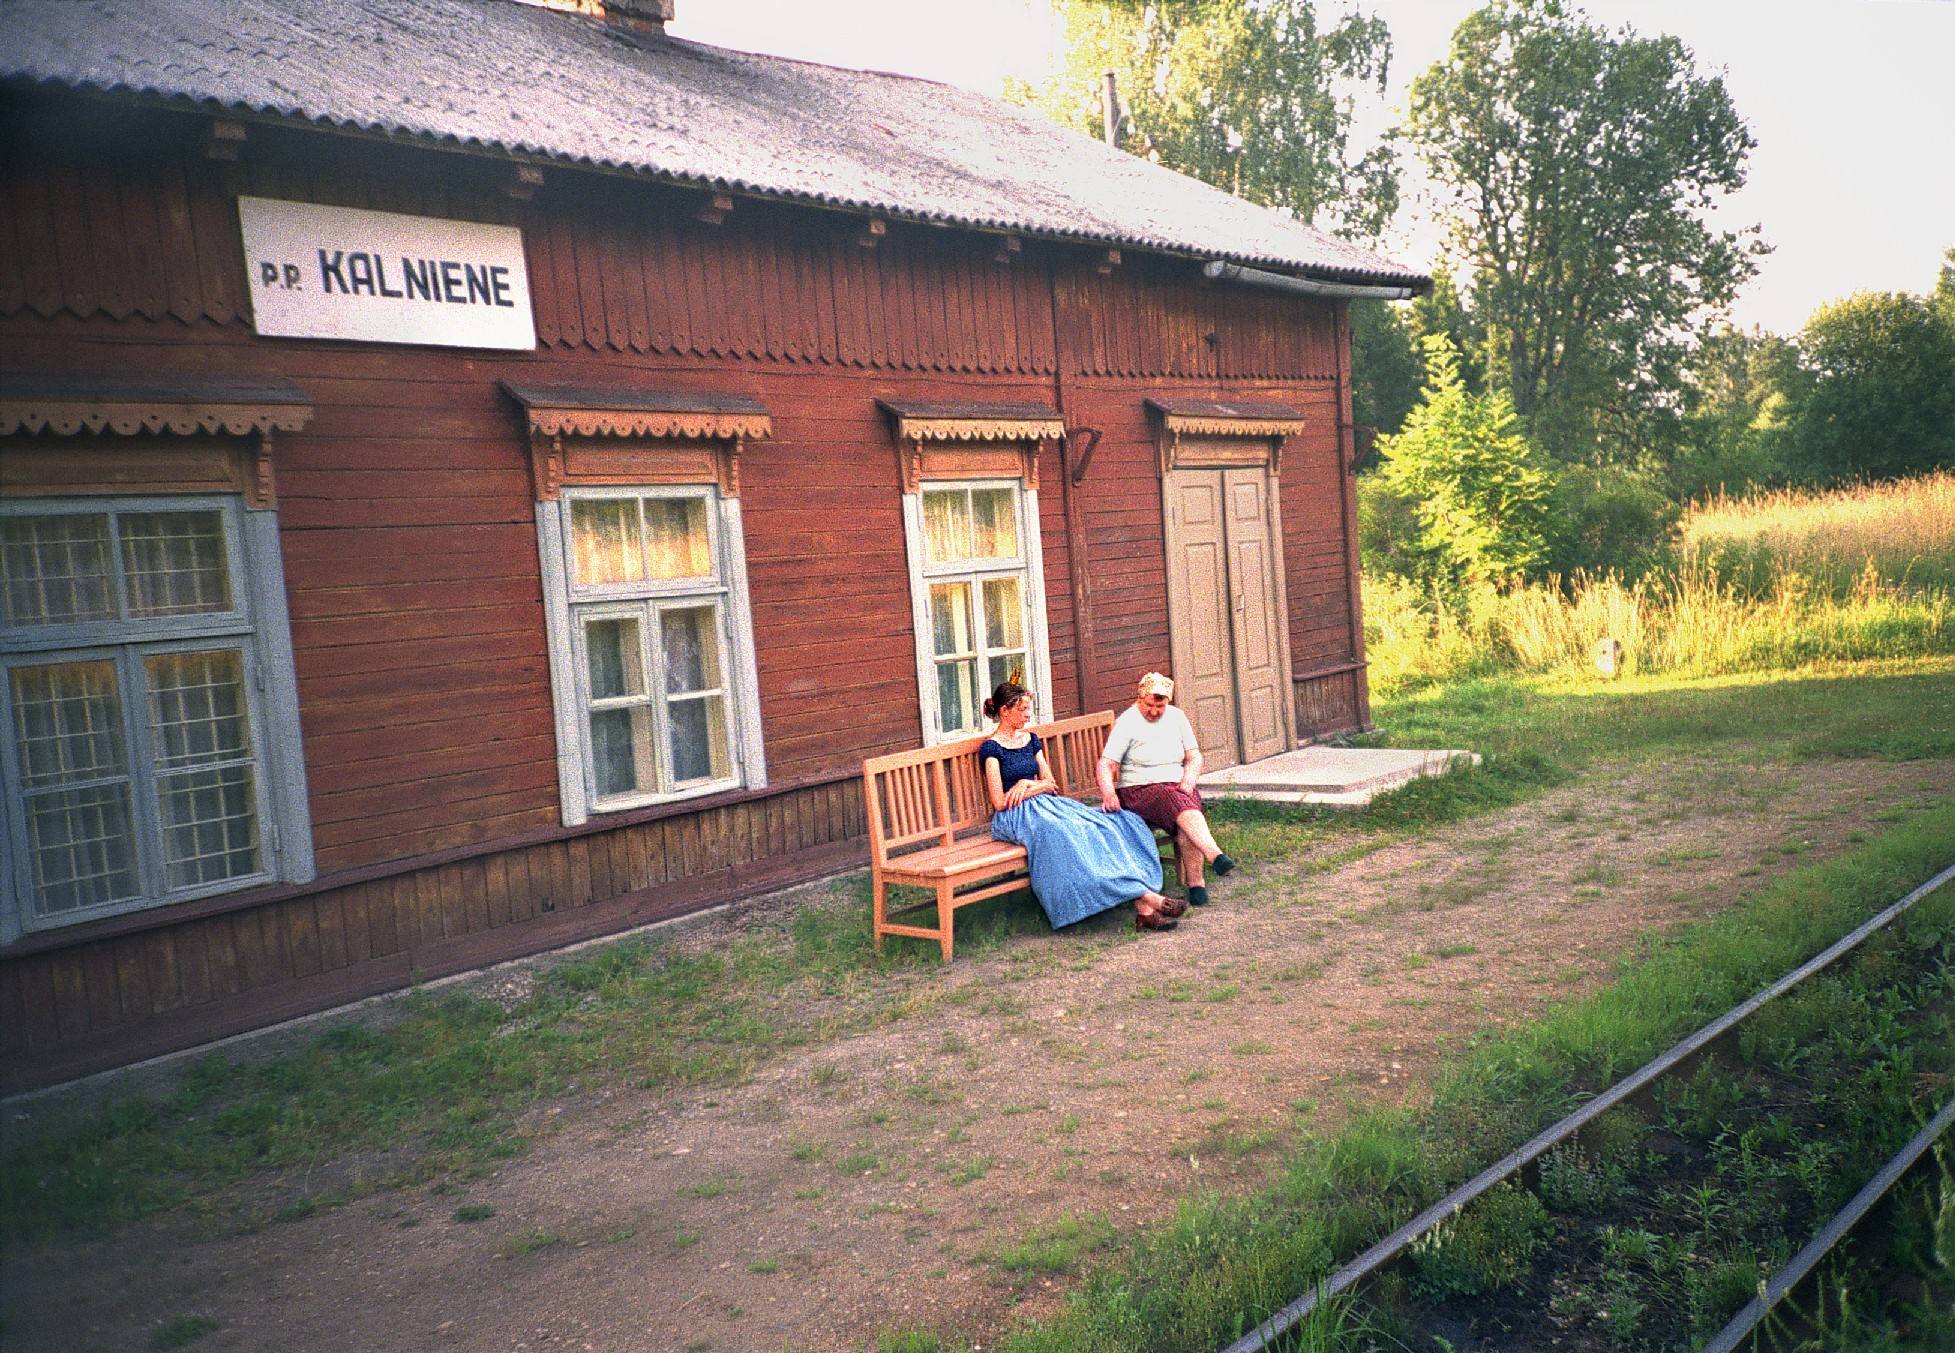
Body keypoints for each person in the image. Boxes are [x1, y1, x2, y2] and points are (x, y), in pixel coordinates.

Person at [979, 682, 1185, 933]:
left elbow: (1050, 783)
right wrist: (1032, 787)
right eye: (1022, 710)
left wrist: (1027, 784)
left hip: (1047, 804)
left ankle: (1145, 909)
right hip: (1016, 815)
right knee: (1064, 832)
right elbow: (1000, 802)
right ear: (1004, 711)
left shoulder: (1030, 740)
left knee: (1108, 823)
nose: (1028, 715)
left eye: (1028, 709)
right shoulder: (992, 748)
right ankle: (1148, 900)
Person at [1097, 671, 1236, 906]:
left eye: (1160, 706)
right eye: (1149, 705)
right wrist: (1109, 793)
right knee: (1176, 800)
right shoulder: (1127, 722)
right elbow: (1106, 764)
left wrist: (1189, 780)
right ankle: (1214, 856)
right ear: (1140, 698)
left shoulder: (1177, 718)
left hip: (1176, 787)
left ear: (1168, 702)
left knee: (1184, 807)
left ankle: (1197, 884)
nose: (1154, 711)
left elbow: (1194, 756)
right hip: (1139, 790)